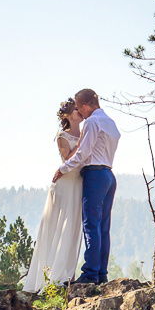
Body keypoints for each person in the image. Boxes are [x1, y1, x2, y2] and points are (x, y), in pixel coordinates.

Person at [53, 87, 120, 285]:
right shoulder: (110, 122)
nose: (79, 113)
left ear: (83, 106)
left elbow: (83, 153)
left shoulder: (92, 121)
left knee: (91, 225)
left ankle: (90, 273)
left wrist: (63, 169)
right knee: (103, 227)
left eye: (79, 108)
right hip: (109, 174)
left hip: (95, 175)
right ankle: (101, 273)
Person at [20, 101, 84, 291]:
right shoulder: (62, 136)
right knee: (60, 226)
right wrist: (81, 142)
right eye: (75, 110)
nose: (79, 112)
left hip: (79, 184)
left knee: (74, 228)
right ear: (67, 116)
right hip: (64, 186)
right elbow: (68, 159)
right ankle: (52, 275)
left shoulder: (85, 133)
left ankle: (69, 273)